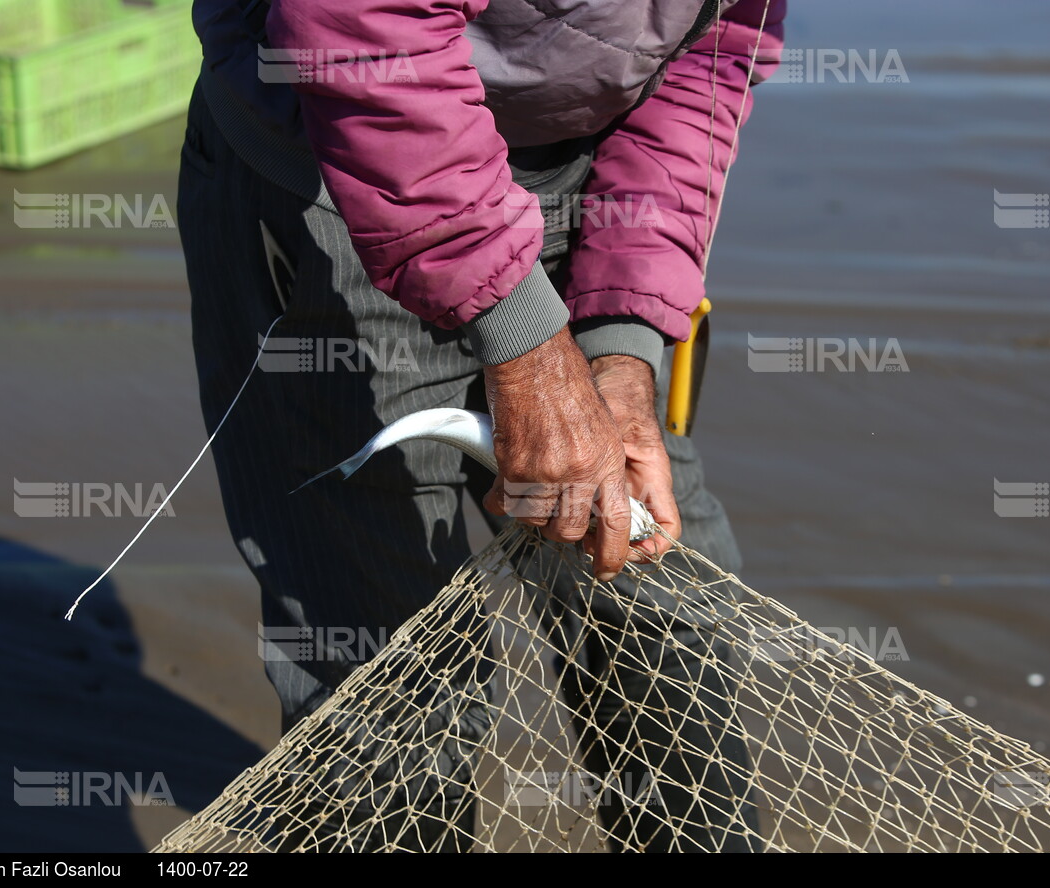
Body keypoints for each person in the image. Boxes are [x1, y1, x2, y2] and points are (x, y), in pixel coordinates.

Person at [180, 0, 785, 851]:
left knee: (661, 603)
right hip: (332, 163)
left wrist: (621, 346)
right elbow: (364, 27)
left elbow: (713, 58)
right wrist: (528, 349)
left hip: (591, 175)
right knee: (388, 671)